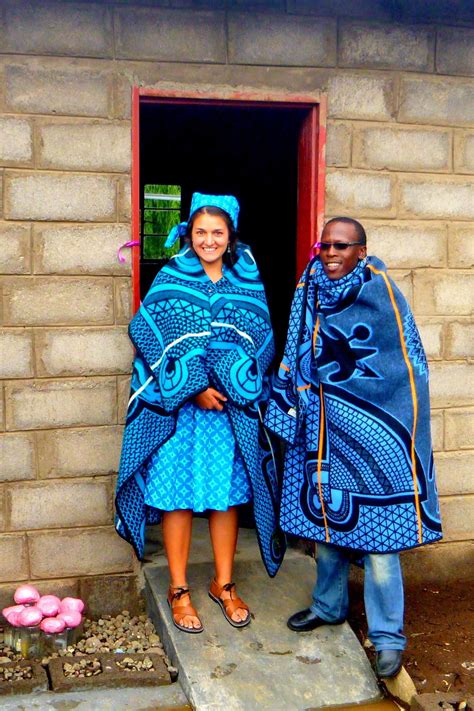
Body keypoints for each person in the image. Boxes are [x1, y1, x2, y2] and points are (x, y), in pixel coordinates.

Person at [265, 217, 442, 678]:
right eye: (325, 245)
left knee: (381, 546)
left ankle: (388, 637)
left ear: (361, 250)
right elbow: (298, 347)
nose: (331, 253)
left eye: (341, 246)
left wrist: (384, 413)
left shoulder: (380, 293)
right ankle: (328, 607)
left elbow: (404, 364)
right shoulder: (310, 288)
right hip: (324, 432)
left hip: (373, 438)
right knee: (326, 531)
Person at [115, 193, 285, 634]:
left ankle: (223, 584)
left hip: (229, 411)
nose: (209, 240)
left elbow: (262, 337)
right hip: (181, 412)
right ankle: (178, 589)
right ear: (188, 236)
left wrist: (229, 384)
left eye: (217, 233)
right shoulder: (173, 275)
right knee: (177, 494)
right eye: (200, 233)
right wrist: (192, 389)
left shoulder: (246, 279)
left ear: (230, 237)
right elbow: (147, 332)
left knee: (225, 495)